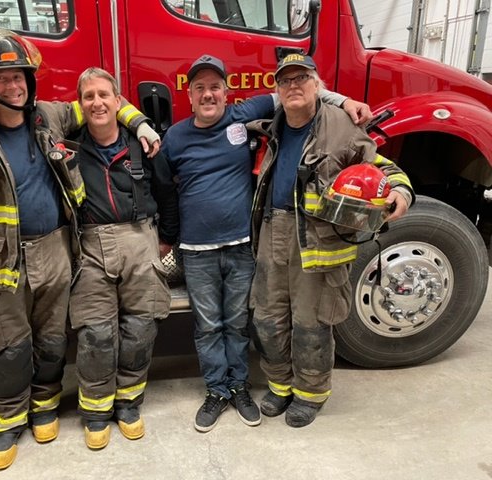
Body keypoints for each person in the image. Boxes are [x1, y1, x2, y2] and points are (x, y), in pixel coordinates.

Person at [0, 30, 160, 470]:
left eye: (19, 77)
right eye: (1, 79)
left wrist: (140, 122)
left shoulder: (47, 117)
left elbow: (101, 102)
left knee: (52, 340)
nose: (14, 86)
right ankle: (8, 421)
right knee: (9, 346)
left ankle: (45, 405)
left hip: (55, 251)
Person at [162, 54, 374, 433]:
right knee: (245, 321)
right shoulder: (175, 136)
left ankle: (257, 389)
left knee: (253, 322)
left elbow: (301, 95)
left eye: (215, 87)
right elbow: (164, 188)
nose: (208, 95)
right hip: (202, 250)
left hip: (247, 243)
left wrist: (345, 100)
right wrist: (168, 237)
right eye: (200, 88)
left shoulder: (249, 115)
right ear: (189, 95)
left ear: (228, 94)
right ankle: (224, 390)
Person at [247, 53, 414, 428]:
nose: (294, 86)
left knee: (311, 322)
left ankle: (310, 394)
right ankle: (279, 385)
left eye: (301, 78)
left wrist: (400, 191)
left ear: (317, 84)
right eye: (285, 80)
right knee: (268, 319)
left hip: (318, 241)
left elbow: (380, 166)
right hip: (272, 234)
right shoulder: (269, 126)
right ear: (277, 89)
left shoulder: (341, 125)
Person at [68, 68, 179, 450]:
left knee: (140, 328)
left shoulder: (142, 146)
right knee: (96, 333)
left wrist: (167, 237)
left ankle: (129, 403)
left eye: (104, 95)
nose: (97, 102)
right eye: (89, 96)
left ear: (119, 102)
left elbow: (166, 190)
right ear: (80, 106)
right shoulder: (67, 147)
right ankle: (96, 412)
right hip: (90, 247)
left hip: (141, 240)